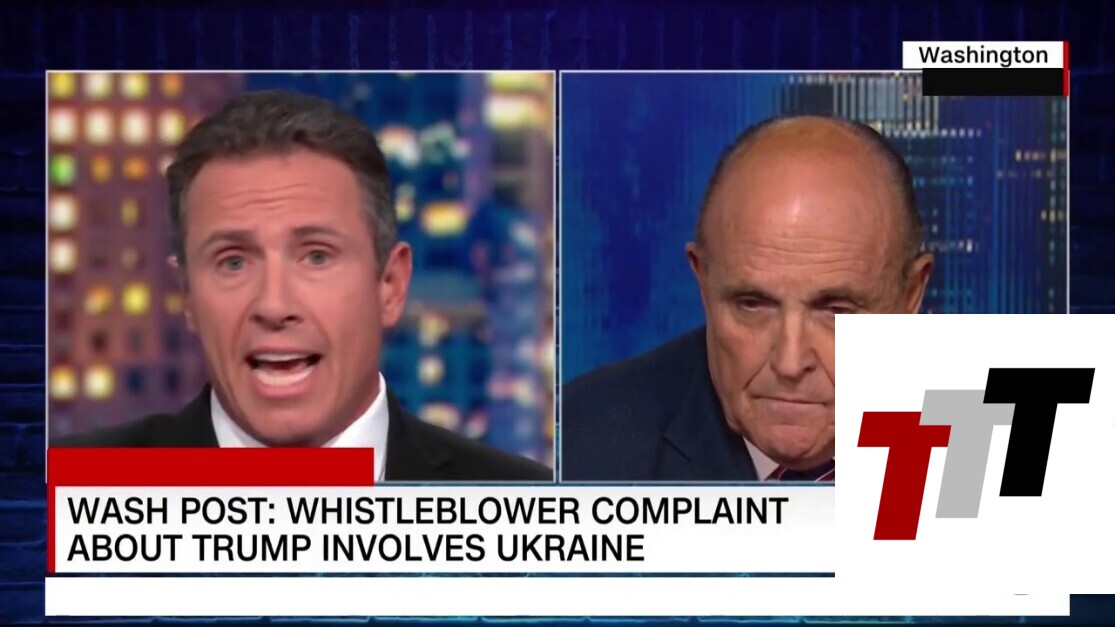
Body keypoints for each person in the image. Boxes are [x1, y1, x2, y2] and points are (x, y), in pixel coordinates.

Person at [54, 90, 552, 483]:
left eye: (316, 256)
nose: (274, 305)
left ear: (390, 285)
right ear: (187, 296)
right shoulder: (67, 501)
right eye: (233, 262)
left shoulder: (524, 511)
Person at [561, 115, 934, 482]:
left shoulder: (964, 439)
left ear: (910, 295)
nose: (789, 364)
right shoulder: (580, 451)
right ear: (703, 282)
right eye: (752, 305)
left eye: (836, 311)